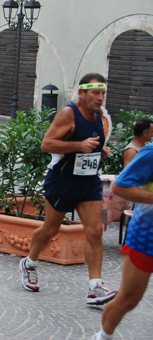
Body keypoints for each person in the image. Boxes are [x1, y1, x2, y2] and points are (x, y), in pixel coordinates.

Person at [19, 73, 117, 305]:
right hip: (63, 180)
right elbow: (47, 144)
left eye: (103, 93)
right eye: (95, 92)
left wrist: (98, 151)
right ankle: (29, 263)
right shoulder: (68, 113)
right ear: (82, 93)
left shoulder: (99, 115)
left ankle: (95, 287)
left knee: (94, 231)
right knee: (51, 229)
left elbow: (90, 142)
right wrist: (79, 146)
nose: (100, 98)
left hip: (88, 181)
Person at [92, 144, 153, 340]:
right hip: (147, 237)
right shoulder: (151, 152)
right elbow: (120, 186)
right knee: (129, 299)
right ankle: (102, 337)